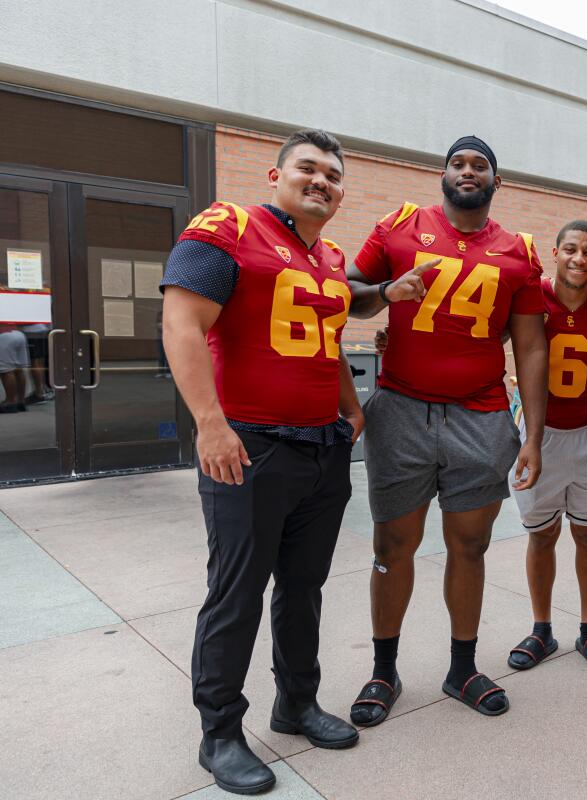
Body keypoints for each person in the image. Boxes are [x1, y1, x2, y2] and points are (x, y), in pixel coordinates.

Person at [162, 129, 363, 796]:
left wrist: (348, 406)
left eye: (333, 175)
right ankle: (219, 733)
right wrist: (210, 425)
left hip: (321, 449)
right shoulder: (231, 226)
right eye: (308, 169)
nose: (321, 182)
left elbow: (326, 341)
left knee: (304, 588)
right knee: (238, 591)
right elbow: (182, 321)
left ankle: (296, 703)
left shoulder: (328, 255)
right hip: (249, 445)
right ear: (276, 176)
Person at [345, 135, 547, 721]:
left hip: (480, 416)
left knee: (471, 545)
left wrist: (533, 435)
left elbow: (531, 348)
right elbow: (346, 297)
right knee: (393, 544)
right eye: (457, 163)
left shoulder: (518, 250)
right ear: (442, 174)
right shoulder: (400, 227)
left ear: (495, 181)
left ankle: (462, 668)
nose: (467, 171)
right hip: (403, 409)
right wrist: (386, 293)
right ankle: (384, 672)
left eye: (479, 164)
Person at [505, 219, 587, 672]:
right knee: (542, 534)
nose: (579, 258)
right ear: (554, 252)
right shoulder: (532, 297)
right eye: (570, 249)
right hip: (538, 433)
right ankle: (541, 628)